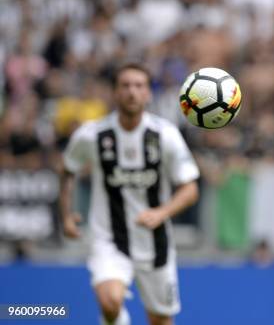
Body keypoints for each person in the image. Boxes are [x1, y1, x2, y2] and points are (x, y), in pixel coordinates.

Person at [59, 63, 200, 325]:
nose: (132, 92)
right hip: (110, 238)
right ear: (114, 92)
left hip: (154, 243)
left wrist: (162, 212)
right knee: (110, 301)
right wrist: (66, 216)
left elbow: (190, 188)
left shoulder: (165, 135)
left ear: (148, 94)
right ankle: (117, 318)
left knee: (160, 319)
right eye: (125, 85)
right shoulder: (92, 135)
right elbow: (68, 169)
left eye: (139, 86)